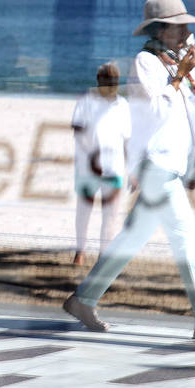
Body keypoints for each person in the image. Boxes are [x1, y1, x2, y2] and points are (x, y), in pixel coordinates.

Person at [63, 0, 195, 341]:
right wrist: (178, 76)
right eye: (178, 27)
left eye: (185, 28)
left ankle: (83, 300)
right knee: (186, 236)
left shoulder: (179, 67)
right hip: (156, 166)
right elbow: (153, 110)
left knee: (131, 239)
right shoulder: (146, 63)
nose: (184, 34)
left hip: (170, 166)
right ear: (161, 30)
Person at [70, 62, 130, 266]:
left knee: (110, 215)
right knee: (84, 211)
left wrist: (131, 170)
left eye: (114, 83)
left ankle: (103, 256)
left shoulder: (122, 104)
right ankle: (80, 250)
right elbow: (78, 131)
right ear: (99, 81)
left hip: (114, 168)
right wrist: (93, 157)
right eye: (107, 82)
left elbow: (127, 139)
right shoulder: (87, 100)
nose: (111, 87)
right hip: (88, 168)